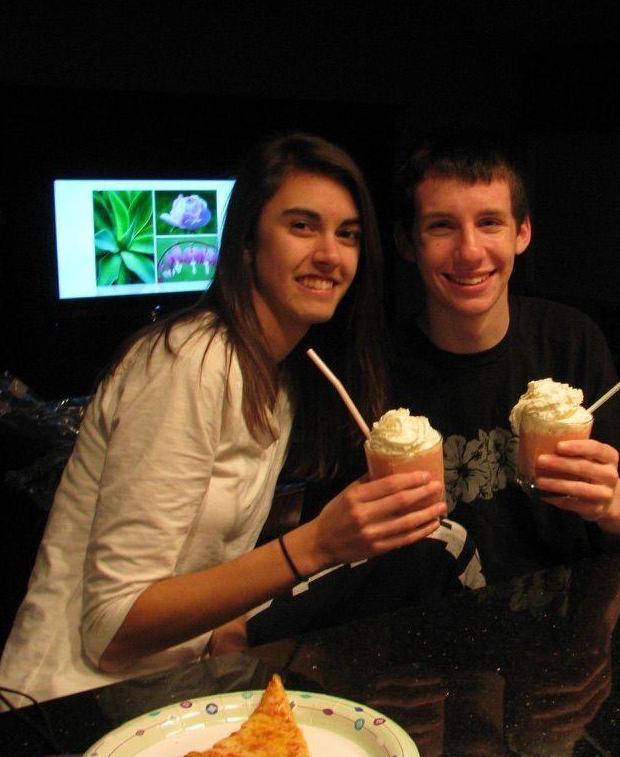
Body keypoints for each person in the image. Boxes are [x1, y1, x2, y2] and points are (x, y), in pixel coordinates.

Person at [0, 132, 447, 705]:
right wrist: (317, 544)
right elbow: (112, 631)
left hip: (161, 697)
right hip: (67, 707)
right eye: (302, 226)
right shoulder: (193, 361)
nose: (331, 255)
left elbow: (201, 549)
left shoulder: (280, 375)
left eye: (348, 235)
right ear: (246, 242)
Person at [390, 133, 620, 582]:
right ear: (407, 242)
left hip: (563, 628)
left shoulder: (569, 339)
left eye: (490, 222)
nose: (471, 252)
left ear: (523, 232)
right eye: (442, 226)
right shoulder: (376, 365)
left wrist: (610, 500)